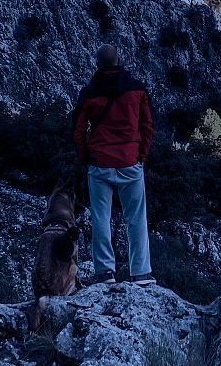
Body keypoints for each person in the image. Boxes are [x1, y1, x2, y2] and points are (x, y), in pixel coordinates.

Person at [71, 43, 155, 286]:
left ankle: (105, 272)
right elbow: (147, 126)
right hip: (130, 161)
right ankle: (140, 273)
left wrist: (85, 157)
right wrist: (142, 156)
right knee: (137, 218)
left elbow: (77, 130)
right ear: (119, 61)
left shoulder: (89, 93)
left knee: (100, 218)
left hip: (100, 163)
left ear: (98, 65)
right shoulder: (137, 90)